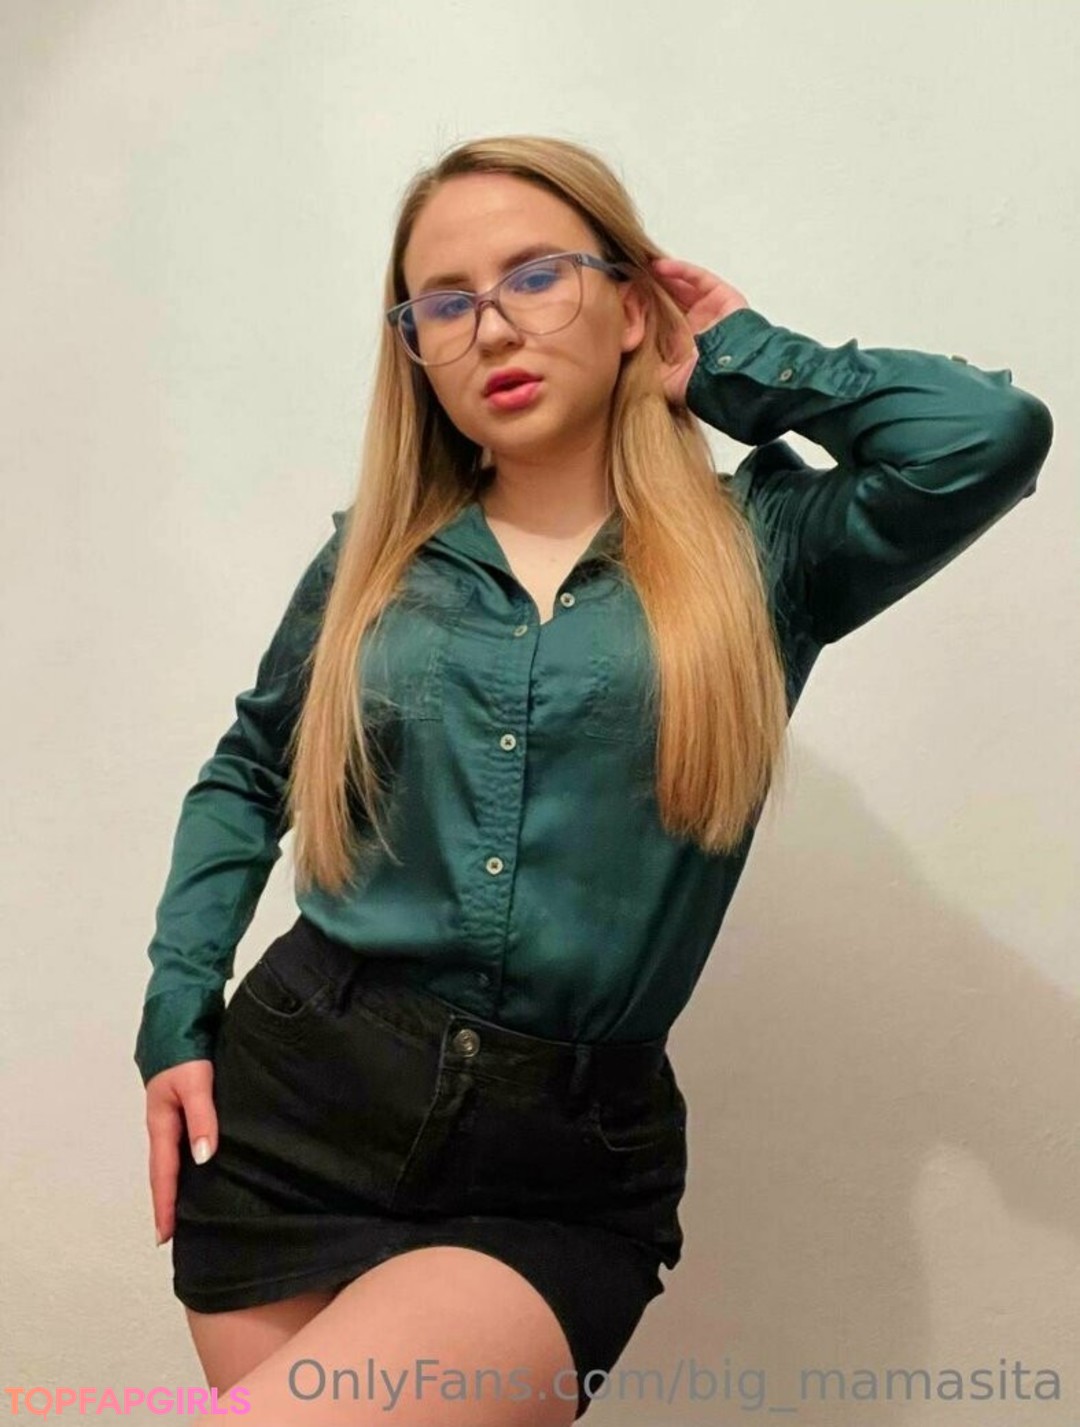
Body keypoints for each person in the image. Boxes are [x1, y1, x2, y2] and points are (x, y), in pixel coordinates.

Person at [135, 133, 1054, 1426]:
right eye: (444, 302)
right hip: (293, 1122)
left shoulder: (768, 549)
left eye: (536, 276)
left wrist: (741, 357)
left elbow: (987, 436)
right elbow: (249, 770)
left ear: (631, 305)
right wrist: (176, 1012)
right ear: (415, 350)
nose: (492, 326)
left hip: (554, 1169)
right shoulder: (375, 557)